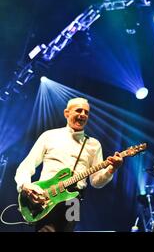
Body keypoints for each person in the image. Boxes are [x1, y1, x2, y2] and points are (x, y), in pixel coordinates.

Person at [15, 97, 123, 232]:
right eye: (79, 110)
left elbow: (96, 182)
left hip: (74, 199)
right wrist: (26, 185)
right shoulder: (49, 136)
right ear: (67, 113)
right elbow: (26, 165)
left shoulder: (93, 144)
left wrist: (112, 169)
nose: (83, 114)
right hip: (46, 197)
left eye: (86, 112)